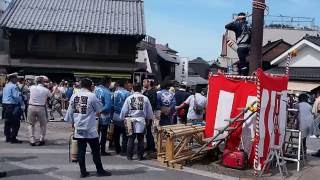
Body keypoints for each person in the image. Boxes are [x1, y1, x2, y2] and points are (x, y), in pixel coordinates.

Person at [65, 78, 111, 178]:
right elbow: (99, 109)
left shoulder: (74, 96)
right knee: (95, 150)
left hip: (79, 127)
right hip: (90, 127)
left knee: (81, 150)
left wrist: (73, 123)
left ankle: (83, 172)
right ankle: (99, 170)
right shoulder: (92, 96)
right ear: (90, 86)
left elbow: (70, 112)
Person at [120, 83, 153, 160]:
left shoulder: (129, 98)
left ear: (133, 89)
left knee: (131, 138)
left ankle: (129, 156)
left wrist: (122, 118)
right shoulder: (145, 98)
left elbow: (124, 110)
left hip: (130, 119)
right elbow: (149, 111)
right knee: (140, 139)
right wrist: (149, 118)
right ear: (140, 88)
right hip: (141, 120)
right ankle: (139, 156)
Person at [27, 76, 51, 146]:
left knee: (31, 124)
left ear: (36, 82)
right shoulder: (46, 90)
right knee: (43, 124)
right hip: (41, 107)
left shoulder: (32, 87)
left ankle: (32, 140)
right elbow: (51, 96)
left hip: (31, 106)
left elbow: (26, 91)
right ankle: (41, 139)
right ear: (43, 82)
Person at [2, 73, 24, 143]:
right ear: (12, 79)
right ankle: (13, 138)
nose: (16, 80)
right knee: (16, 122)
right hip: (12, 105)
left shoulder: (6, 86)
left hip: (5, 105)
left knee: (7, 122)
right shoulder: (14, 86)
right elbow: (16, 96)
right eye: (15, 78)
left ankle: (7, 137)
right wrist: (21, 102)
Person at [94, 76, 113, 156]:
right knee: (103, 134)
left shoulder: (95, 90)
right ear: (107, 82)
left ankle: (94, 149)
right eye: (110, 82)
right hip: (104, 116)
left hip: (94, 116)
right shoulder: (107, 92)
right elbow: (108, 106)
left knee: (95, 133)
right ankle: (102, 150)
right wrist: (101, 111)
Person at [112, 80, 130, 155]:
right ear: (125, 84)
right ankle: (123, 150)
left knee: (116, 133)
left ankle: (117, 149)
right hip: (124, 115)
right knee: (125, 134)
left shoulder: (115, 92)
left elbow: (112, 103)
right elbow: (129, 105)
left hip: (115, 114)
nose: (128, 85)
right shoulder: (127, 93)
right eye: (127, 84)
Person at [143, 79, 157, 153]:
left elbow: (154, 103)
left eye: (144, 82)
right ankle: (149, 146)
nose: (143, 83)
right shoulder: (145, 92)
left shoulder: (153, 91)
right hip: (144, 114)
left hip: (149, 114)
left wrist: (149, 114)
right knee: (146, 131)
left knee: (149, 131)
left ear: (149, 82)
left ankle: (151, 147)